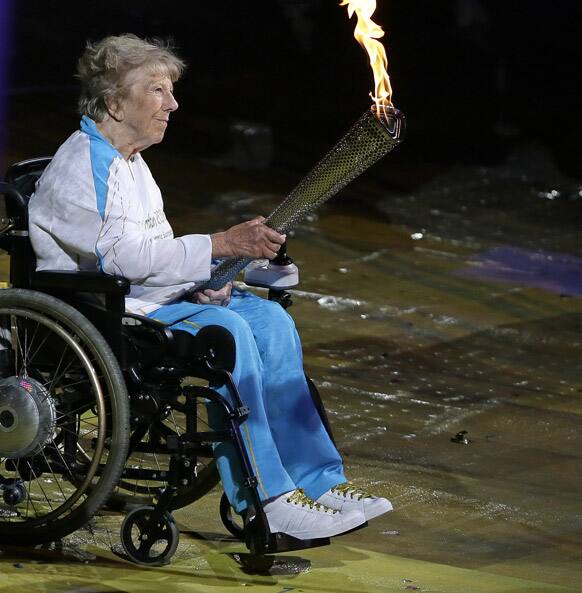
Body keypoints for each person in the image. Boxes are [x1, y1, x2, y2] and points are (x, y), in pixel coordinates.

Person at [28, 34, 392, 541]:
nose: (172, 104)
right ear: (114, 102)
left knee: (271, 321)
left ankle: (318, 479)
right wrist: (220, 245)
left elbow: (152, 249)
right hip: (109, 311)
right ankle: (269, 497)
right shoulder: (86, 164)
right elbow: (123, 259)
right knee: (228, 336)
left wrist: (205, 276)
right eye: (157, 90)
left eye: (170, 91)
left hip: (148, 297)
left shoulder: (130, 162)